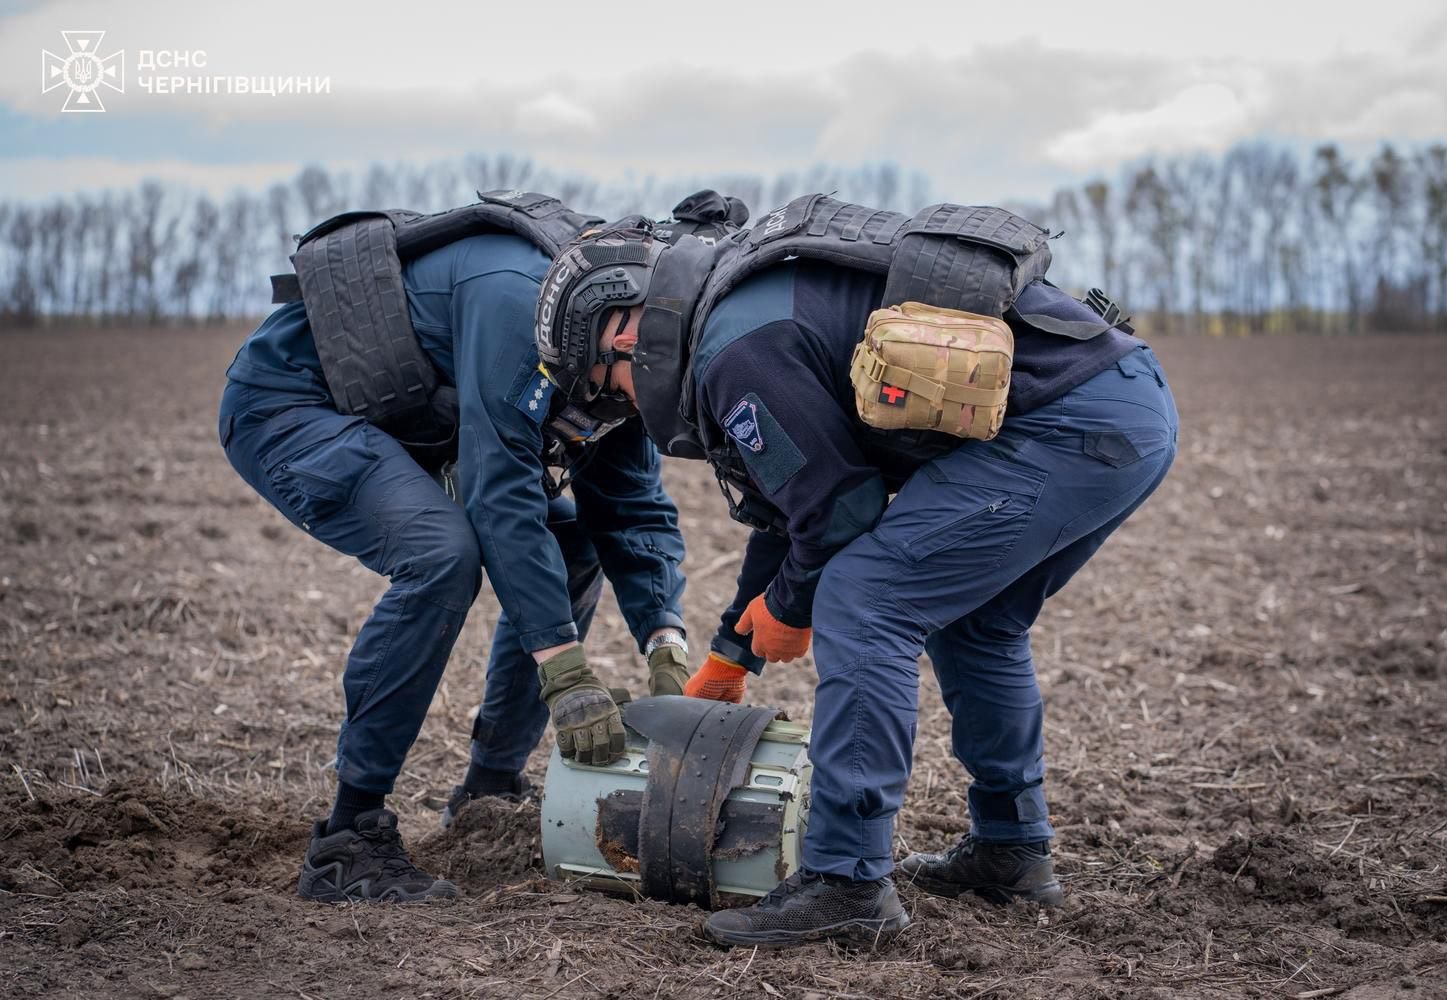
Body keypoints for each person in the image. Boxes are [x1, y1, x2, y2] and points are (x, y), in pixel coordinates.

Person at [534, 195, 1178, 946]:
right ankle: (1011, 848)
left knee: (865, 599)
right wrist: (732, 656)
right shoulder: (737, 311)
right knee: (979, 624)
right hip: (1120, 404)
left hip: (1069, 426)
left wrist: (792, 605)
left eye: (603, 381)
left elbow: (840, 513)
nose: (620, 401)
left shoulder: (733, 354)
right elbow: (797, 504)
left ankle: (847, 882)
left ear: (625, 334)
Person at [218, 190, 743, 903]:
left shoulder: (625, 353)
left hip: (408, 422)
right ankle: (347, 840)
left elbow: (630, 509)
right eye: (637, 387)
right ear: (617, 337)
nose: (640, 404)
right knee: (442, 556)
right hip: (290, 404)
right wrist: (566, 674)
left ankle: (489, 787)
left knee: (574, 542)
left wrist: (665, 645)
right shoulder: (518, 306)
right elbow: (502, 500)